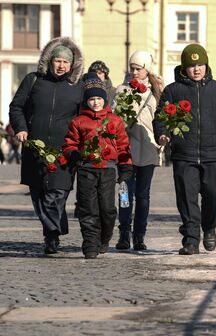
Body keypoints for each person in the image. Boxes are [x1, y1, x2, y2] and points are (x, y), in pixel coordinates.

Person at [153, 43, 216, 255]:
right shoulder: (172, 91)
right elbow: (160, 118)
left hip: (213, 155)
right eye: (191, 65)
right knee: (186, 198)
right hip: (183, 155)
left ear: (206, 65)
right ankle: (191, 239)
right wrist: (162, 134)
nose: (196, 69)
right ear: (183, 67)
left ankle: (210, 228)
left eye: (200, 65)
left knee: (213, 195)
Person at [9, 37, 83, 254]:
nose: (61, 66)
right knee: (39, 193)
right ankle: (53, 232)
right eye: (57, 61)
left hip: (65, 149)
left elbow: (85, 115)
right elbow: (16, 107)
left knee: (58, 192)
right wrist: (21, 128)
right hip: (35, 147)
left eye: (65, 62)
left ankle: (51, 234)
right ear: (50, 61)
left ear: (71, 65)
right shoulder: (33, 80)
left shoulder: (77, 87)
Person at [61, 73, 133, 259]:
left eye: (99, 99)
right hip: (86, 169)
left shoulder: (115, 121)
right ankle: (90, 243)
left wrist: (125, 168)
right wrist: (74, 153)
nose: (95, 103)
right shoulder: (78, 121)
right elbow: (69, 143)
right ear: (86, 101)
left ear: (104, 100)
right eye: (91, 99)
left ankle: (104, 237)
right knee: (88, 208)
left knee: (107, 209)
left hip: (108, 169)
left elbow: (123, 145)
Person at [113, 51, 164, 251]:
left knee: (143, 195)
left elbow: (162, 119)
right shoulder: (122, 90)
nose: (134, 72)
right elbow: (114, 119)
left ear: (147, 69)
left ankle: (139, 236)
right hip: (126, 150)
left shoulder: (158, 91)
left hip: (149, 150)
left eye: (138, 69)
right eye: (132, 68)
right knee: (125, 193)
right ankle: (124, 233)